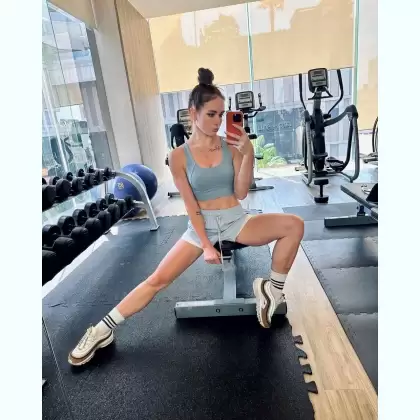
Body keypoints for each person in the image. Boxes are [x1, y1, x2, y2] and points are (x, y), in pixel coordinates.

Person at [68, 68, 304, 366]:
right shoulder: (178, 156)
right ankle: (101, 330)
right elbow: (191, 205)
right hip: (200, 226)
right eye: (211, 114)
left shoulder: (232, 149)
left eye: (221, 115)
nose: (218, 121)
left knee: (294, 225)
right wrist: (205, 244)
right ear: (193, 113)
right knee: (157, 280)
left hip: (236, 220)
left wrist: (247, 154)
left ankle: (272, 290)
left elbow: (242, 192)